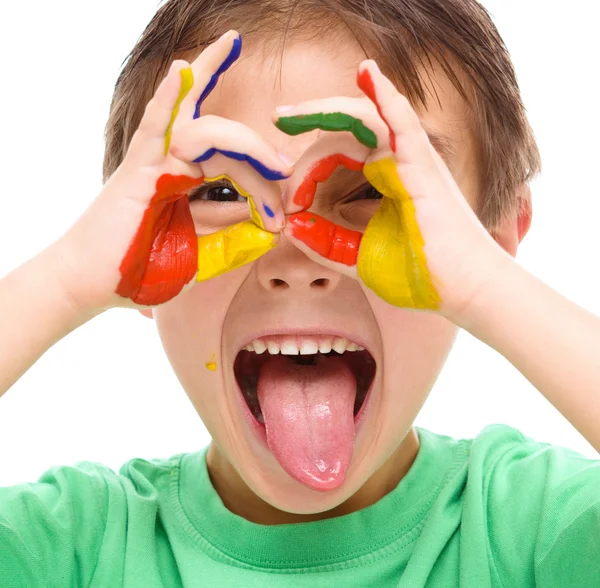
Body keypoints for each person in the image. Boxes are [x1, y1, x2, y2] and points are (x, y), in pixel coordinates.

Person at [1, 0, 599, 585]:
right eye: (220, 194)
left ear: (492, 241)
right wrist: (63, 280)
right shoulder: (66, 548)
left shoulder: (539, 530)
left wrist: (486, 283)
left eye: (372, 191)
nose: (296, 260)